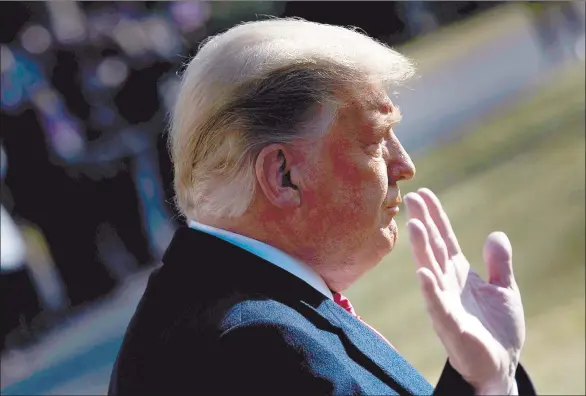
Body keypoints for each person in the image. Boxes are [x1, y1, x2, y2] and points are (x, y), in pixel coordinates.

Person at [109, 18, 536, 395]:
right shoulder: (259, 346)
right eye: (375, 140)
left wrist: (483, 377)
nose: (404, 164)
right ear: (283, 175)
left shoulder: (214, 301)